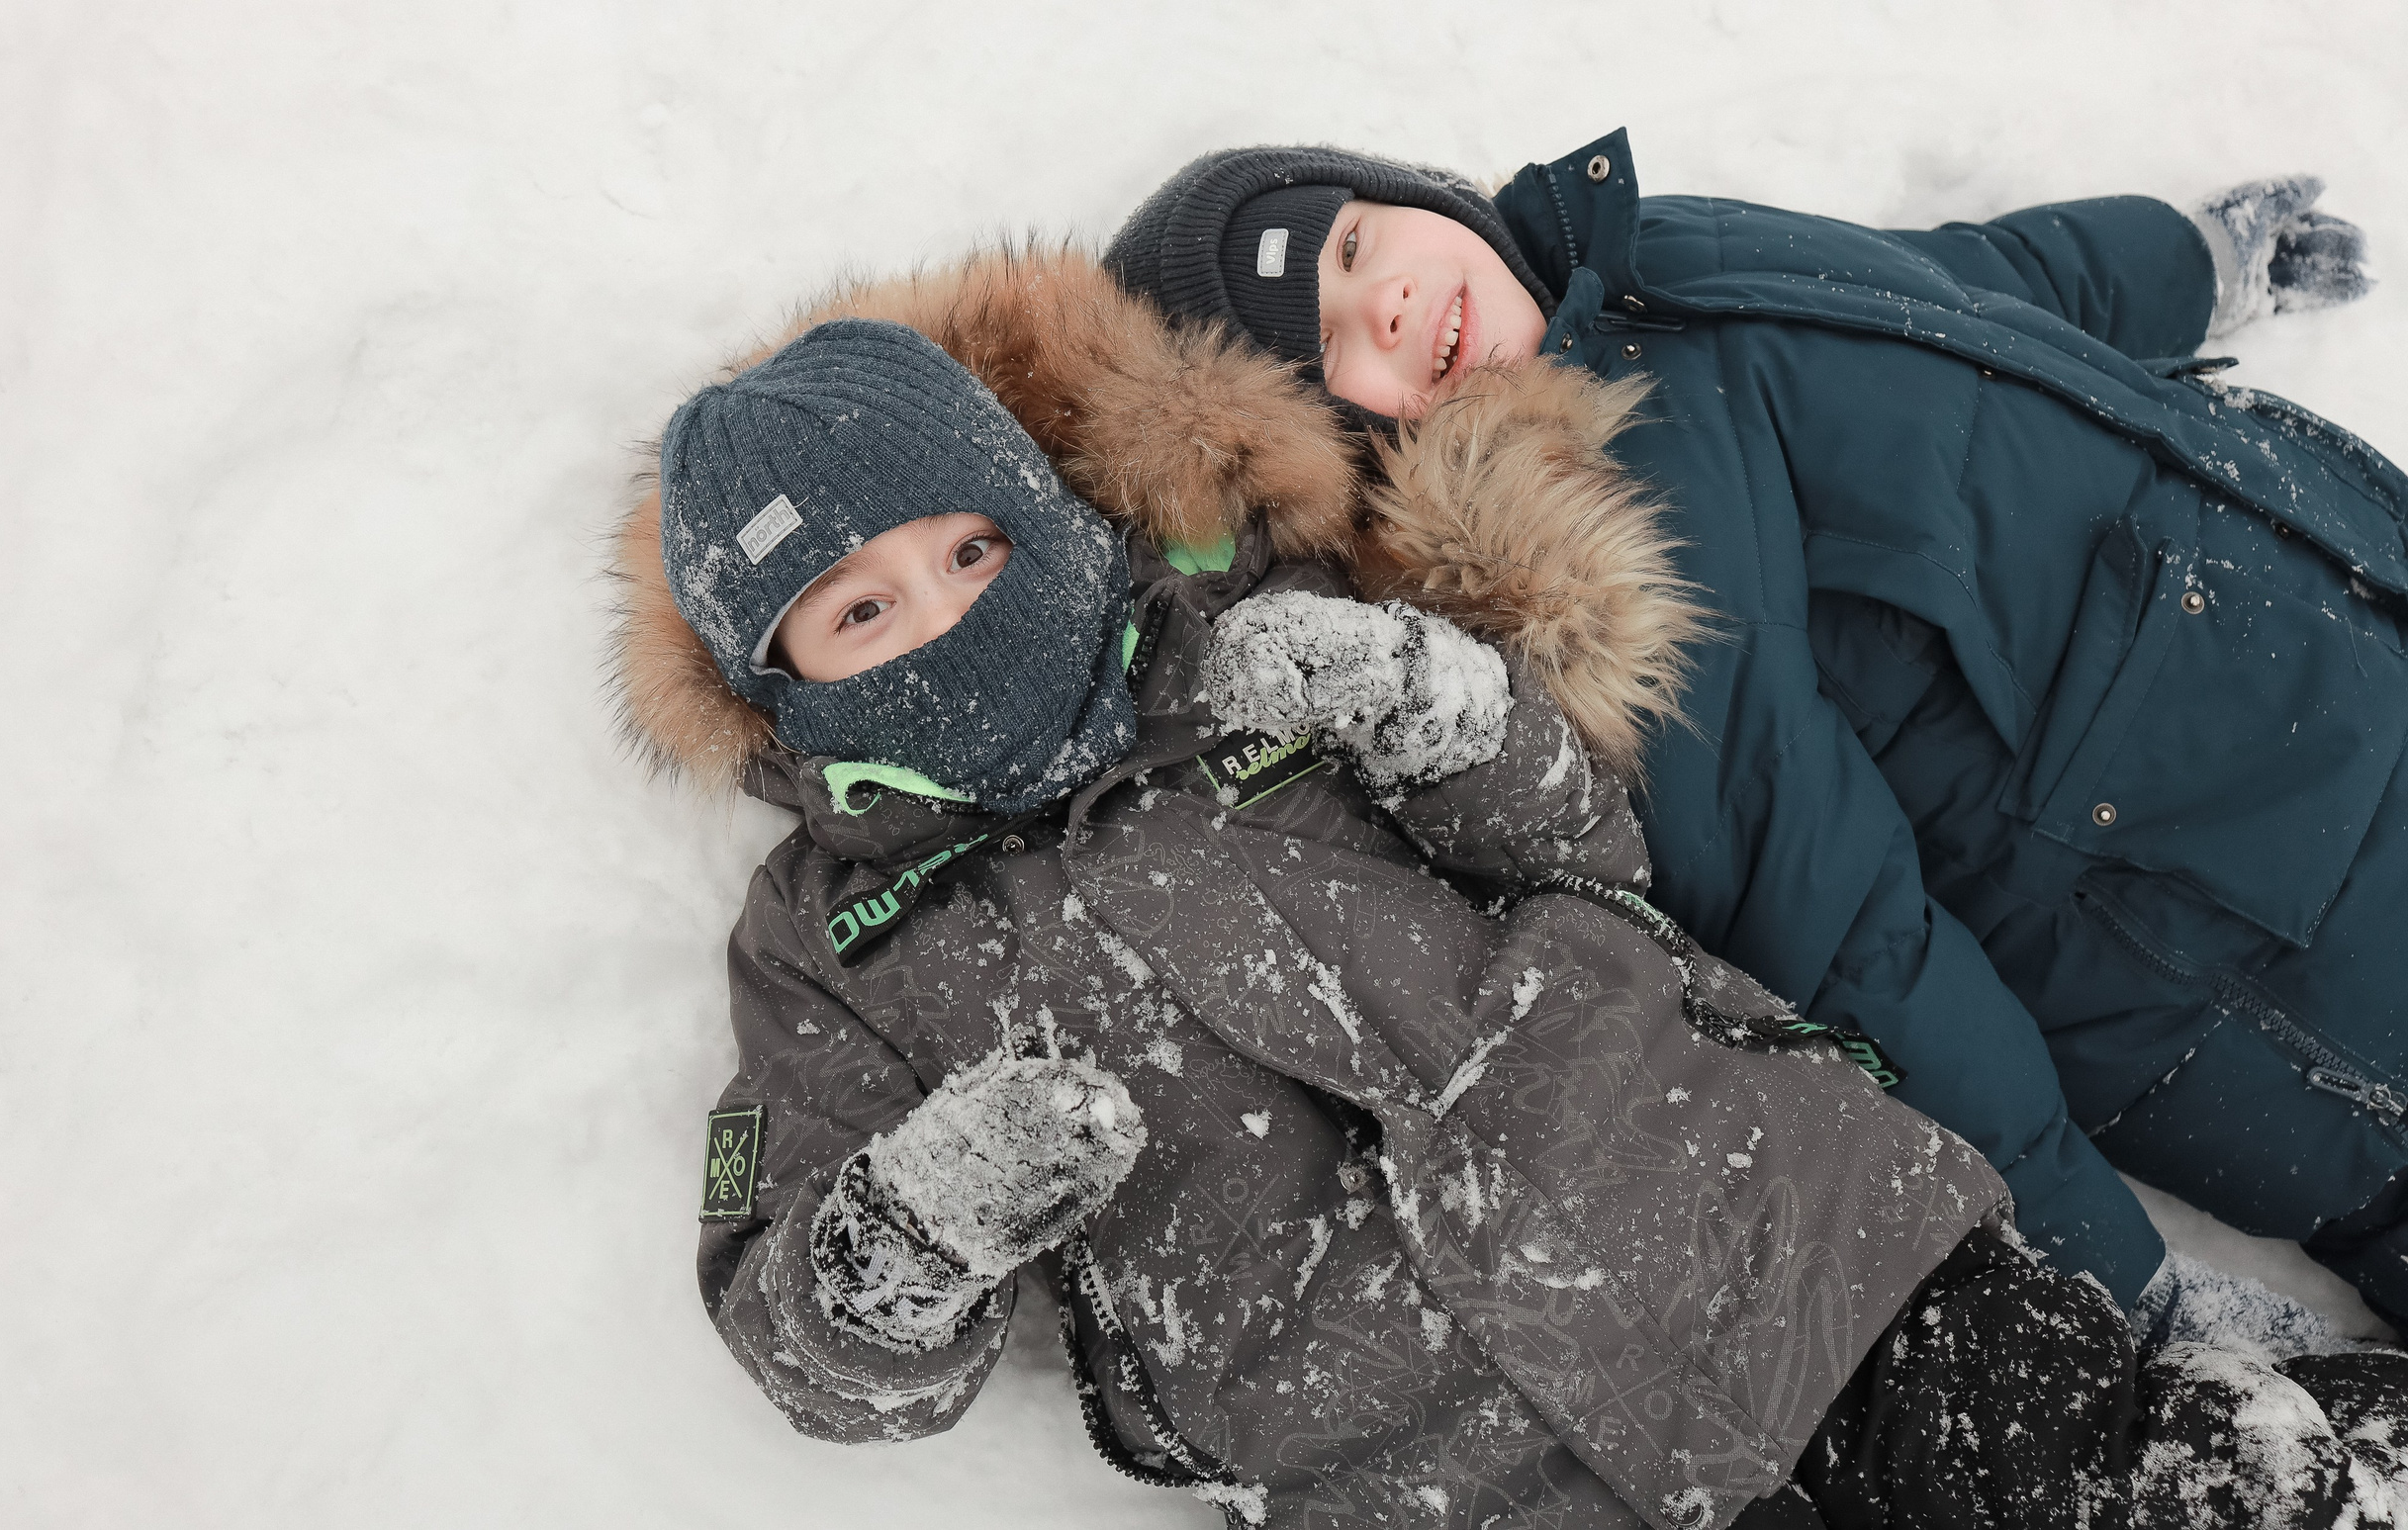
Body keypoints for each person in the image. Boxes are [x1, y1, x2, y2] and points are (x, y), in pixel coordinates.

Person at [614, 272, 2408, 1529]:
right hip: (1446, 1479)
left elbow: (1592, 859)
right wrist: (902, 1241)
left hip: (1792, 1246)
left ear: (1047, 521)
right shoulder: (829, 939)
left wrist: (1441, 713)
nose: (941, 620)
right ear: (778, 694)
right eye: (858, 615)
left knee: (2193, 1491)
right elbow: (810, 1341)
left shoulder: (1246, 642)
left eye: (967, 552)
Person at [1100, 139, 2407, 1334]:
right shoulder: (1583, 564)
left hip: (2325, 615)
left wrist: (2186, 258)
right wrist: (2111, 1278)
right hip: (2268, 930)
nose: (1382, 301)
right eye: (1327, 345)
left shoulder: (1654, 260)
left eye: (1350, 248)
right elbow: (1841, 931)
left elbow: (1961, 290)